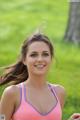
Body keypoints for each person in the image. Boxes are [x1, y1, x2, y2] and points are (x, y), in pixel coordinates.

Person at [0, 33, 80, 120]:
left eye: (45, 54)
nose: (40, 59)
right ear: (24, 60)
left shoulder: (59, 92)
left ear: (51, 58)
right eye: (33, 55)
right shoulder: (12, 93)